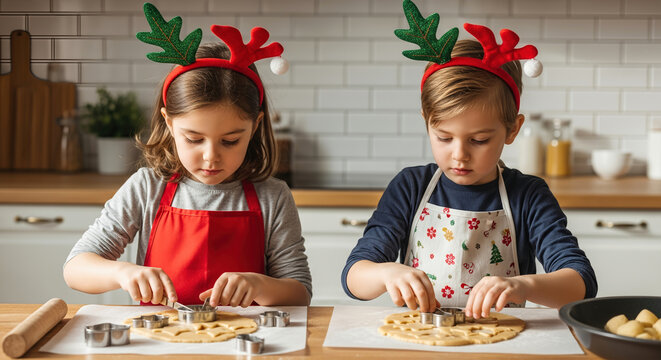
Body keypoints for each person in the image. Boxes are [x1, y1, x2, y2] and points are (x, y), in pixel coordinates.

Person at [342, 2, 596, 319]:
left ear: (512, 129)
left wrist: (524, 286)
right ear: (426, 122)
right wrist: (386, 274)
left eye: (479, 140)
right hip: (423, 341)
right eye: (444, 137)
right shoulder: (411, 187)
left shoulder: (527, 195)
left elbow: (581, 282)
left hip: (504, 344)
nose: (459, 154)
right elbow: (353, 277)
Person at [63, 4, 311, 308]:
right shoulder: (147, 188)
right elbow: (76, 268)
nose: (211, 157)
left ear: (255, 126)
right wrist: (122, 272)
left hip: (246, 348)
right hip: (160, 347)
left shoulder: (273, 196)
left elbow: (300, 292)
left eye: (231, 141)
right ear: (169, 122)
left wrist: (259, 285)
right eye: (194, 139)